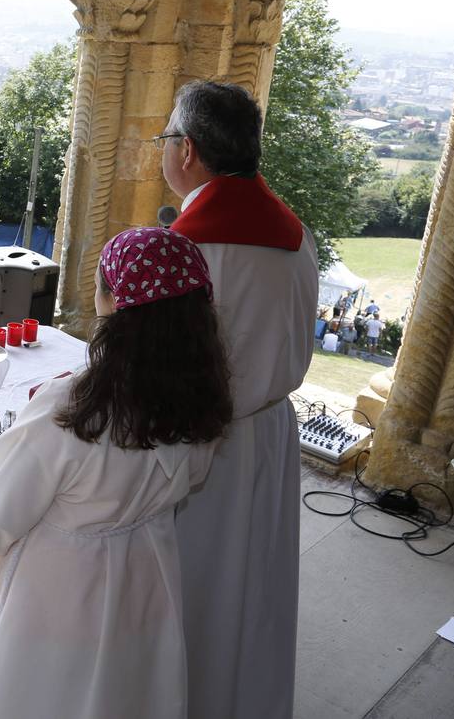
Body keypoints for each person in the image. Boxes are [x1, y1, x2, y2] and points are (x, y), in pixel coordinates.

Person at [0, 228, 230, 719]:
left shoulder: (75, 407)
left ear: (113, 303)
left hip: (58, 589)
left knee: (43, 695)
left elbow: (4, 509)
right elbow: (190, 476)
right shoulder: (202, 401)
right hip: (144, 578)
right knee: (119, 694)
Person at [159, 80, 319, 718]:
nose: (163, 150)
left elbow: (160, 367)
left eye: (167, 137)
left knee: (196, 589)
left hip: (202, 445)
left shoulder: (185, 250)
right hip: (272, 434)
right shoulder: (296, 236)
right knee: (257, 585)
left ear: (190, 151)